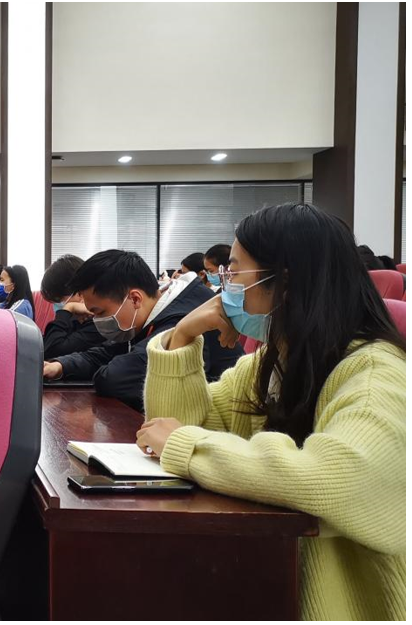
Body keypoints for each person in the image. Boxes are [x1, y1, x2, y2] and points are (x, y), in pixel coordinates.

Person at [135, 203, 405, 620]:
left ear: (286, 283)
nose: (223, 287)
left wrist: (187, 446)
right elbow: (178, 429)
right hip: (263, 574)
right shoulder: (272, 362)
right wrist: (182, 335)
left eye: (233, 272)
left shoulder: (375, 376)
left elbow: (337, 480)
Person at [42, 250, 243, 412]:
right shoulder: (153, 310)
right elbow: (108, 352)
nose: (96, 320)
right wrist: (60, 366)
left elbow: (116, 380)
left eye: (100, 313)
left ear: (135, 299)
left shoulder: (181, 317)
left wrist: (107, 367)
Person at [39, 255, 104, 358]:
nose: (56, 306)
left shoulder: (99, 324)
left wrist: (68, 309)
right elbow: (46, 345)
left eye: (58, 300)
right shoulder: (76, 319)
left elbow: (52, 350)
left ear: (79, 293)